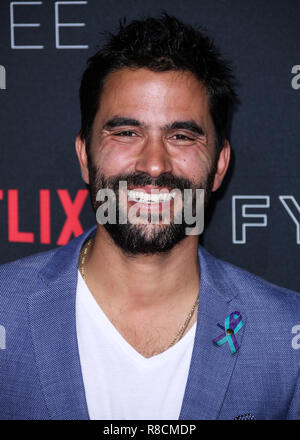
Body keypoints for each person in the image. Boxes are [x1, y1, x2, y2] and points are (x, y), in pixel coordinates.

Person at [0, 13, 300, 421]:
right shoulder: (6, 309)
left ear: (219, 165)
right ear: (85, 156)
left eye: (181, 136)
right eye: (126, 132)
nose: (154, 164)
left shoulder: (286, 337)